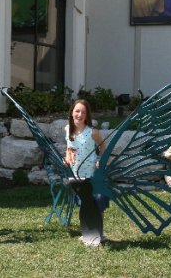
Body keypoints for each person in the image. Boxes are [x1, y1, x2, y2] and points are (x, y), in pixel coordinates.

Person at [64, 99, 109, 245]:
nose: (79, 114)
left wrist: (100, 160)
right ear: (72, 113)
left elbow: (103, 148)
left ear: (87, 115)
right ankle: (88, 233)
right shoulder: (67, 130)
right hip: (77, 174)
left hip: (93, 174)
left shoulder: (92, 132)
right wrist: (67, 158)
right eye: (77, 111)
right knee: (83, 203)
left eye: (83, 112)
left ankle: (99, 234)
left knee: (97, 202)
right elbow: (69, 148)